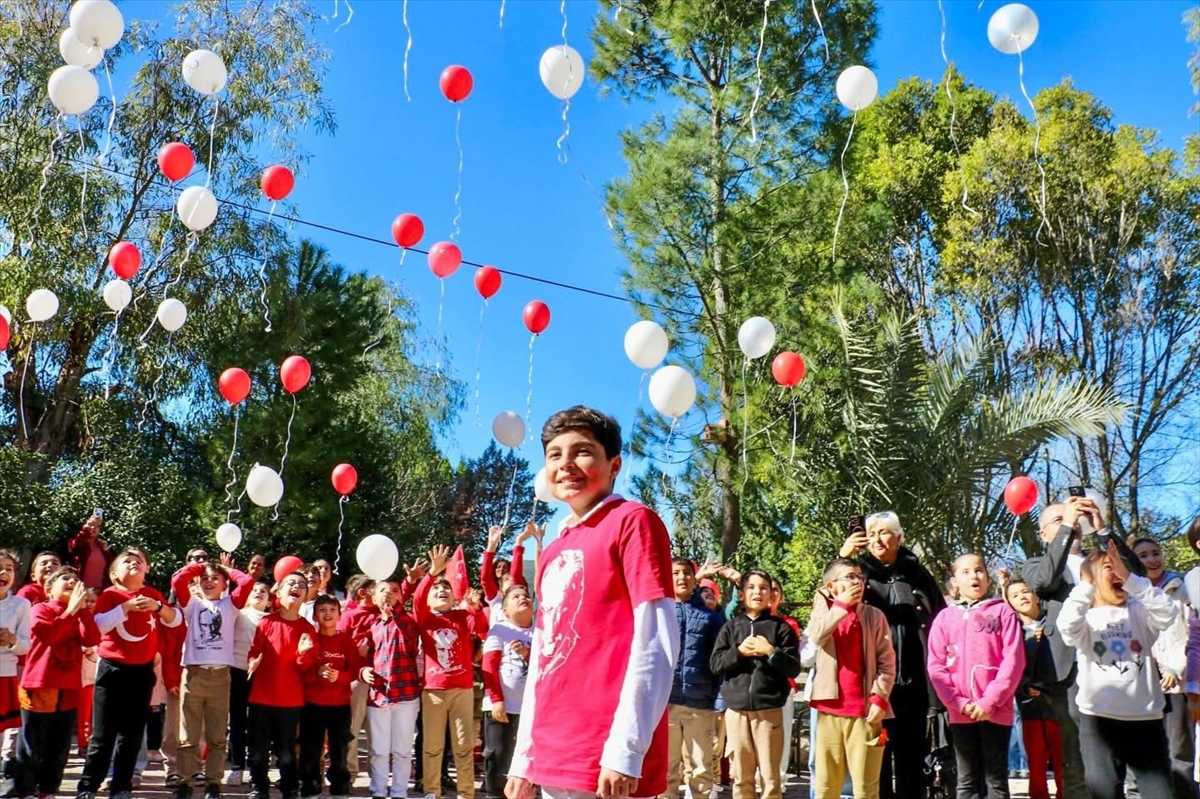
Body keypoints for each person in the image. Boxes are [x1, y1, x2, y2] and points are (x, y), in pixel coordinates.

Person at [505, 406, 679, 799]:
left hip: (604, 756)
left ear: (614, 464)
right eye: (555, 454)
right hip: (552, 752)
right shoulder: (553, 549)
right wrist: (524, 759)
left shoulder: (632, 521)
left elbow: (656, 641)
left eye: (582, 451)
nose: (566, 463)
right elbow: (543, 659)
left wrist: (626, 750)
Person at [1020, 495, 1144, 799]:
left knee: (1116, 745)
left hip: (1113, 660)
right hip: (1067, 670)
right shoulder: (1035, 564)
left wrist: (1101, 529)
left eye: (1076, 518)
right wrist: (1067, 525)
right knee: (1074, 750)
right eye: (1059, 520)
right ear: (1044, 534)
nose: (1073, 523)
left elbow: (1137, 574)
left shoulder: (1101, 558)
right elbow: (1044, 582)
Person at [838, 511, 944, 799]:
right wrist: (843, 558)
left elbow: (941, 619)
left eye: (884, 532)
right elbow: (831, 604)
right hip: (871, 685)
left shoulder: (918, 574)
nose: (877, 539)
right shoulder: (856, 573)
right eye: (871, 534)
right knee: (875, 763)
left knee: (913, 761)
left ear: (898, 537)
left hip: (914, 683)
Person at [1060, 547, 1176, 799]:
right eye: (1108, 568)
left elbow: (1167, 612)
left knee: (1160, 792)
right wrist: (1086, 586)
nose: (1117, 573)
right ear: (1090, 577)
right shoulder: (1085, 617)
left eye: (1120, 568)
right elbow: (1066, 626)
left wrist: (1133, 580)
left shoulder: (1139, 611)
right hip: (1098, 721)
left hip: (1145, 719)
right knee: (1105, 792)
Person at [77, 548, 180, 799]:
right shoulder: (110, 595)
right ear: (114, 574)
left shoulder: (153, 594)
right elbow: (98, 626)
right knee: (103, 735)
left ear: (147, 570)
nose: (134, 563)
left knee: (131, 735)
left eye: (139, 561)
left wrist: (158, 607)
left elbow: (175, 620)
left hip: (142, 672)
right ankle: (88, 786)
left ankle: (121, 787)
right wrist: (125, 607)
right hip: (112, 670)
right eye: (127, 560)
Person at [926, 554, 1024, 799]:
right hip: (961, 712)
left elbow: (1013, 660)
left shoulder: (1003, 612)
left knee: (995, 780)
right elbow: (936, 666)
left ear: (988, 577)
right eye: (966, 572)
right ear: (954, 581)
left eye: (979, 570)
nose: (974, 576)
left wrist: (989, 702)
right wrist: (958, 702)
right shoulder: (944, 618)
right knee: (967, 780)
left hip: (996, 710)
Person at [805, 558, 895, 799]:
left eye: (860, 577)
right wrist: (840, 607)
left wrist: (879, 698)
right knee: (826, 787)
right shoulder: (823, 614)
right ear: (831, 586)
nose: (857, 582)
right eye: (850, 577)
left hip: (865, 712)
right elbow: (816, 636)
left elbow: (887, 661)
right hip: (828, 711)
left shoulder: (874, 616)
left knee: (866, 788)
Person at [710, 569, 801, 799]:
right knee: (742, 777)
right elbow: (716, 664)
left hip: (769, 710)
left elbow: (793, 668)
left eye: (763, 588)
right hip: (737, 711)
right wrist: (738, 652)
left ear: (771, 594)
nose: (757, 592)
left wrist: (771, 652)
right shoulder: (730, 628)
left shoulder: (781, 628)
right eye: (751, 587)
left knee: (770, 777)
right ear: (741, 594)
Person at [170, 556, 255, 799]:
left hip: (220, 676)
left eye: (215, 578)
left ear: (225, 584)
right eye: (204, 579)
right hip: (194, 674)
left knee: (217, 736)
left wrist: (225, 568)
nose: (209, 582)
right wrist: (200, 567)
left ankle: (213, 783)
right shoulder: (192, 604)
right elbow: (178, 581)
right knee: (188, 736)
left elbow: (247, 582)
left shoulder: (230, 605)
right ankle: (185, 782)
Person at [15, 566, 98, 798]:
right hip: (40, 684)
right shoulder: (40, 608)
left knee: (59, 745)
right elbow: (48, 635)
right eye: (65, 578)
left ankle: (49, 790)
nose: (72, 582)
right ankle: (26, 790)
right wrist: (70, 611)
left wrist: (83, 611)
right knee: (33, 744)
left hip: (69, 687)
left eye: (76, 579)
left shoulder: (80, 613)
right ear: (49, 589)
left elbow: (92, 638)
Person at [415, 546, 488, 799]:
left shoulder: (462, 616)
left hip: (462, 690)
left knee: (463, 746)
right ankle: (432, 791)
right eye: (436, 589)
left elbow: (482, 627)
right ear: (429, 599)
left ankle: (466, 793)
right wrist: (432, 574)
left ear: (453, 595)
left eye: (446, 588)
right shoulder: (425, 618)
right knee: (432, 746)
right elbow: (417, 598)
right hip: (433, 692)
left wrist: (476, 607)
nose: (441, 591)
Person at [1129, 536, 1196, 799]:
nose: (1151, 560)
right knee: (1142, 751)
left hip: (1177, 680)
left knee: (1179, 752)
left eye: (1155, 553)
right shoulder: (1128, 592)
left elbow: (1192, 634)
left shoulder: (1183, 587)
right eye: (1143, 555)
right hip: (1142, 682)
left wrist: (1175, 668)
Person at [245, 571, 318, 799]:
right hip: (261, 696)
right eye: (291, 583)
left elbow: (307, 668)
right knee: (258, 750)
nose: (296, 587)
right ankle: (259, 787)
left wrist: (303, 654)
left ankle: (289, 787)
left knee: (286, 751)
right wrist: (253, 662)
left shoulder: (308, 628)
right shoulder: (267, 622)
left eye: (302, 585)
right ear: (278, 592)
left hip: (290, 700)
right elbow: (254, 652)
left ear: (305, 595)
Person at [656, 559, 723, 799]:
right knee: (666, 770)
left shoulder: (711, 618)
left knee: (701, 770)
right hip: (665, 704)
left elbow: (719, 660)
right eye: (675, 573)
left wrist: (719, 699)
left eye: (687, 573)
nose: (682, 578)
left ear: (695, 579)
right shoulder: (658, 614)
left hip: (700, 704)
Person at [360, 574, 423, 799]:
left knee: (402, 750)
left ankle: (399, 792)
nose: (388, 594)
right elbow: (363, 657)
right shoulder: (372, 626)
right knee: (378, 750)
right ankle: (378, 791)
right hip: (379, 696)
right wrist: (363, 671)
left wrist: (395, 606)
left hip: (406, 695)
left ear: (401, 597)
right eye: (383, 590)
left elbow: (405, 628)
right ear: (373, 598)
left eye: (395, 591)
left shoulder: (407, 621)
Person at [1005, 578, 1065, 799]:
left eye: (1025, 591)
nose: (1022, 597)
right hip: (1030, 706)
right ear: (1009, 603)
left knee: (1063, 760)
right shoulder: (1013, 632)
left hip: (1057, 704)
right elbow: (1009, 666)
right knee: (1036, 761)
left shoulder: (1055, 622)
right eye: (1015, 595)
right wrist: (1023, 687)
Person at [299, 594, 360, 799]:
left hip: (340, 705)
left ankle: (340, 788)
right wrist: (317, 672)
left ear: (339, 615)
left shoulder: (346, 641)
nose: (328, 614)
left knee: (339, 750)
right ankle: (310, 787)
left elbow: (354, 670)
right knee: (310, 749)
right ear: (315, 616)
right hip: (313, 704)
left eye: (332, 609)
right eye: (322, 610)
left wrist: (339, 676)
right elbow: (301, 668)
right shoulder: (311, 639)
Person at [482, 583, 535, 799]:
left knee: (527, 759)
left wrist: (528, 654)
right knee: (498, 756)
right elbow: (489, 666)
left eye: (526, 596)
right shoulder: (499, 630)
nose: (523, 598)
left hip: (532, 710)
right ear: (505, 611)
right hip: (502, 708)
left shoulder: (541, 631)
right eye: (516, 597)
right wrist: (496, 700)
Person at [227, 581, 269, 788]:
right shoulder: (239, 614)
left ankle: (255, 768)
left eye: (263, 591)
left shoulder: (271, 619)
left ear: (269, 600)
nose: (258, 593)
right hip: (237, 672)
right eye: (254, 590)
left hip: (261, 676)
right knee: (237, 722)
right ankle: (236, 767)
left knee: (258, 724)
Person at [338, 574, 376, 780]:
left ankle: (377, 776)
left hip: (381, 681)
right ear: (362, 593)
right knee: (352, 728)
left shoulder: (383, 613)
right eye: (375, 587)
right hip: (357, 680)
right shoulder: (349, 616)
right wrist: (358, 652)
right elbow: (339, 645)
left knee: (377, 731)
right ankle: (350, 774)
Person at [0, 550, 31, 739]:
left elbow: (25, 646)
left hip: (4, 675)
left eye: (8, 568)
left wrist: (12, 640)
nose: (3, 572)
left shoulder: (21, 605)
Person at [481, 525, 530, 617]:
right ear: (501, 588)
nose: (511, 580)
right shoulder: (496, 600)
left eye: (513, 579)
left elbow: (516, 574)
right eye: (507, 579)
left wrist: (519, 541)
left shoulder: (523, 599)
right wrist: (491, 546)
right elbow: (485, 579)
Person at [67, 514, 114, 591]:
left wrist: (106, 550)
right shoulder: (78, 543)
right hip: (80, 590)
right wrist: (86, 528)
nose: (93, 528)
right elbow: (76, 543)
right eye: (91, 525)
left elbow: (111, 568)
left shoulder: (101, 546)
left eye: (97, 526)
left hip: (99, 592)